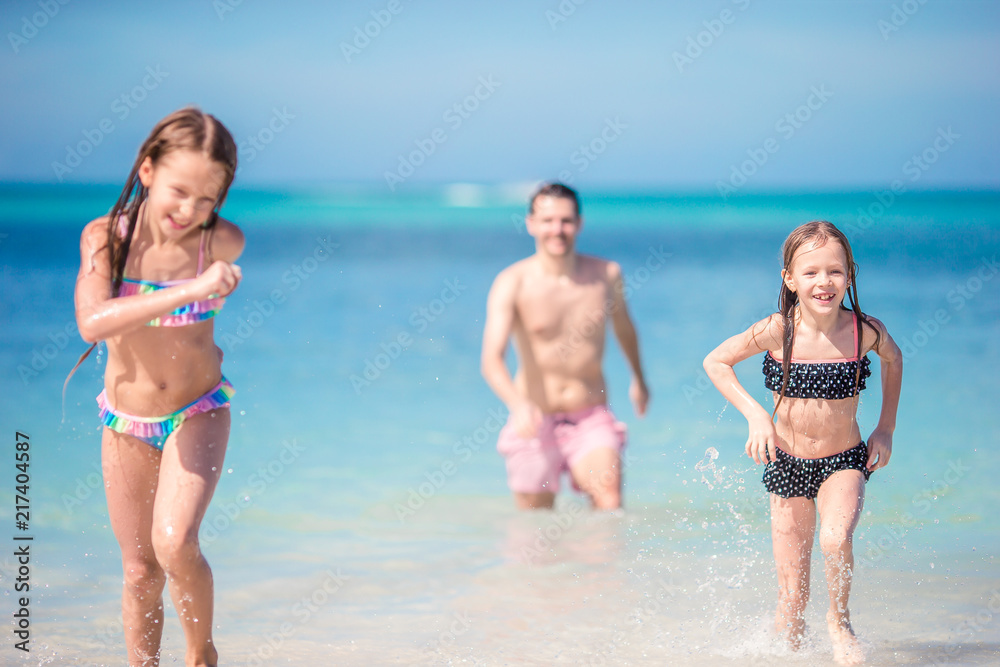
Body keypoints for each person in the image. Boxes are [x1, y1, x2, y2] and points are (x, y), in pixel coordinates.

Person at [71, 107, 244, 667]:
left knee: (174, 542)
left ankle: (201, 657)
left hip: (197, 410)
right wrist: (191, 288)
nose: (190, 210)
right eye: (179, 190)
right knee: (140, 571)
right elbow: (93, 322)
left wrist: (204, 275)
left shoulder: (220, 243)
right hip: (125, 418)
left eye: (207, 199)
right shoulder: (105, 239)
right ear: (147, 171)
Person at [703, 221, 902, 665]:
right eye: (810, 272)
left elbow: (894, 359)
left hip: (844, 462)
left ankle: (839, 619)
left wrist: (885, 427)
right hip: (787, 464)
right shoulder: (778, 330)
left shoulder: (862, 332)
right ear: (789, 279)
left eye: (835, 271)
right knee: (791, 601)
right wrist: (756, 415)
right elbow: (716, 362)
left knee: (835, 539)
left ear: (849, 275)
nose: (823, 282)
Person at [481, 182, 649, 511]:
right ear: (530, 224)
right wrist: (517, 405)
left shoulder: (606, 274)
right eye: (547, 221)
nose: (557, 230)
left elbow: (625, 330)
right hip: (533, 417)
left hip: (590, 417)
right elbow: (491, 360)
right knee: (535, 524)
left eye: (566, 221)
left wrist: (639, 379)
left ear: (579, 224)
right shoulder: (512, 282)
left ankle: (599, 564)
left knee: (609, 502)